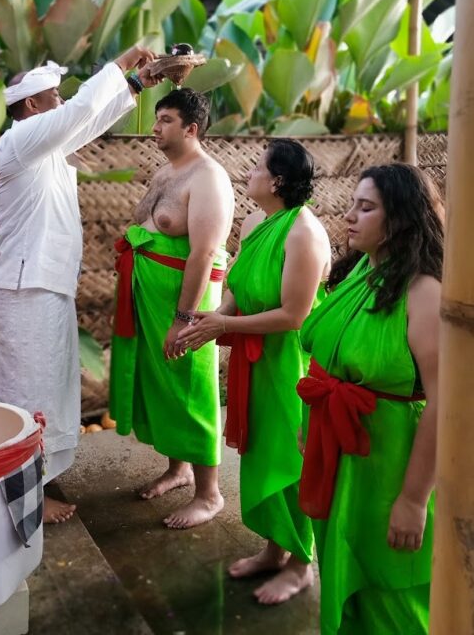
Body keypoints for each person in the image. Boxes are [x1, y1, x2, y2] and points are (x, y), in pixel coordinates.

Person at [0, 47, 162, 524]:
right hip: (25, 290)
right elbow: (80, 112)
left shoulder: (46, 146)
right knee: (23, 395)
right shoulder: (19, 140)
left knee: (43, 391)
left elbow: (86, 123)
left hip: (40, 287)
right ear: (32, 106)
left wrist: (138, 85)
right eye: (53, 97)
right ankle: (22, 501)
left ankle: (31, 485)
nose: (61, 103)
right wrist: (122, 65)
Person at [179, 138, 330, 603]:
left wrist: (224, 322)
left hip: (290, 365)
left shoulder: (303, 232)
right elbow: (239, 287)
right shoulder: (254, 222)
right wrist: (215, 316)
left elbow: (294, 317)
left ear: (278, 180)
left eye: (257, 167)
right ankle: (274, 549)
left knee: (290, 461)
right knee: (261, 453)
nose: (249, 173)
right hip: (255, 361)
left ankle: (302, 563)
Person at [298, 164, 442, 634]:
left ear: (400, 218)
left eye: (366, 207)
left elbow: (447, 403)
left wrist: (414, 500)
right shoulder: (363, 270)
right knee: (345, 568)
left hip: (390, 466)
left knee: (391, 594)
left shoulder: (424, 294)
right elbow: (328, 362)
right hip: (341, 459)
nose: (349, 216)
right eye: (352, 204)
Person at [110, 87, 235, 529]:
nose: (155, 127)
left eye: (165, 119)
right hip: (150, 296)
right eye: (157, 118)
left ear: (191, 128)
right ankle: (178, 469)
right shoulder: (166, 173)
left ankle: (210, 493)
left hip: (186, 303)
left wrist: (183, 320)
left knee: (190, 389)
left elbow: (203, 254)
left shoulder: (208, 179)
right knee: (162, 386)